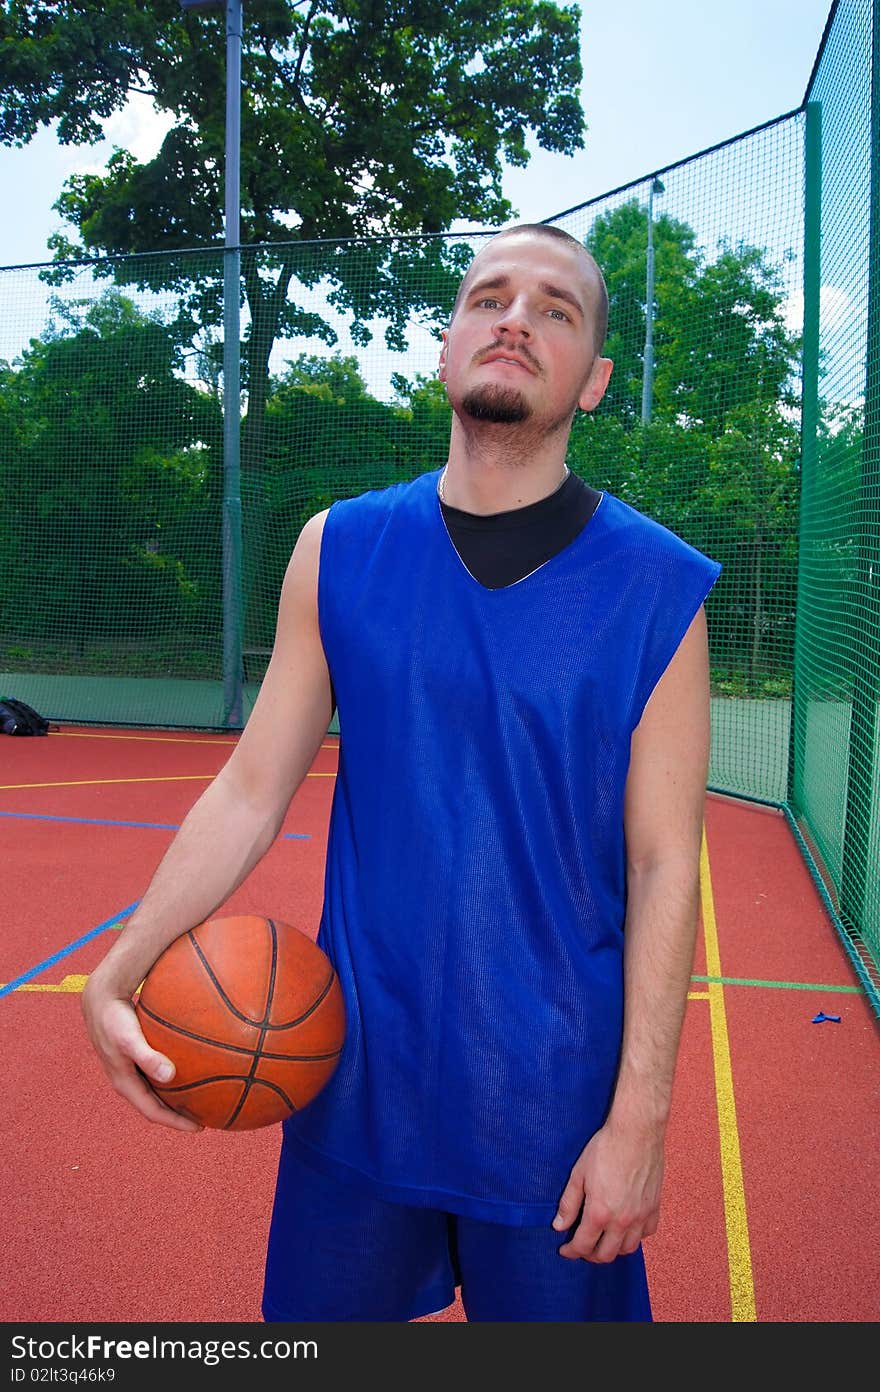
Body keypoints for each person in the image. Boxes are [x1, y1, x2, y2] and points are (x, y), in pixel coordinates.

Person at [82, 222, 722, 1323]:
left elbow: (667, 863)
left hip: (552, 1101)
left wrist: (640, 1121)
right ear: (445, 345)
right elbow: (248, 789)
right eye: (490, 297)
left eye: (555, 310)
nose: (515, 318)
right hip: (359, 1080)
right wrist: (119, 967)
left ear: (597, 380)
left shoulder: (657, 585)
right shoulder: (338, 547)